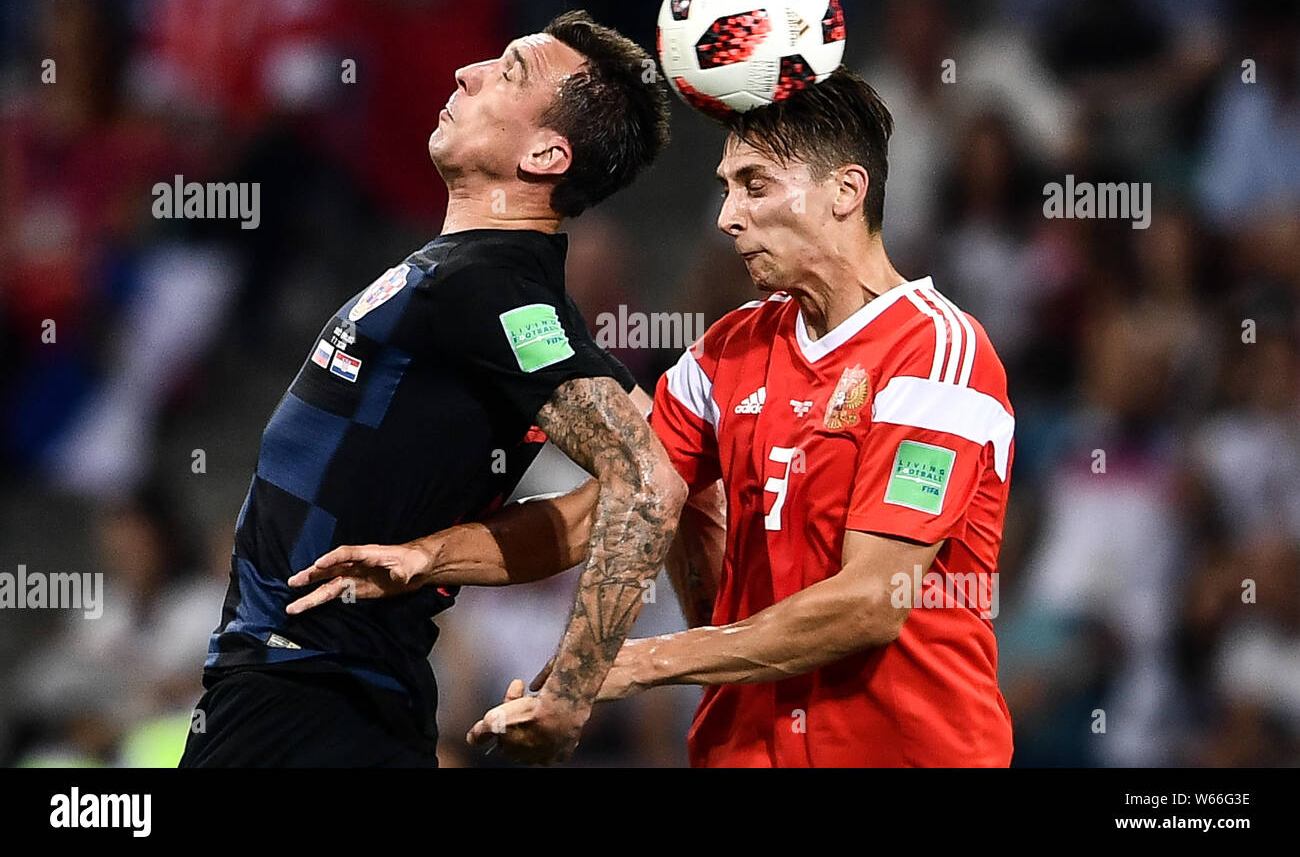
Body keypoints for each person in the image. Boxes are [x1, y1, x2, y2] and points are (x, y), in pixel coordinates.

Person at [299, 68, 1017, 767]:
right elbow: (606, 508)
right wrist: (431, 556)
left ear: (845, 191)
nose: (728, 217)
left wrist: (645, 660)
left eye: (755, 185)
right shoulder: (727, 352)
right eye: (726, 188)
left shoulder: (937, 353)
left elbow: (871, 601)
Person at [179, 10, 686, 768]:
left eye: (508, 71)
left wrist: (569, 693)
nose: (466, 73)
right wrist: (435, 554)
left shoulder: (494, 286)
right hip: (324, 699)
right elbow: (641, 475)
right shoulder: (475, 278)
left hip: (309, 704)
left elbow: (649, 480)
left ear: (548, 153)